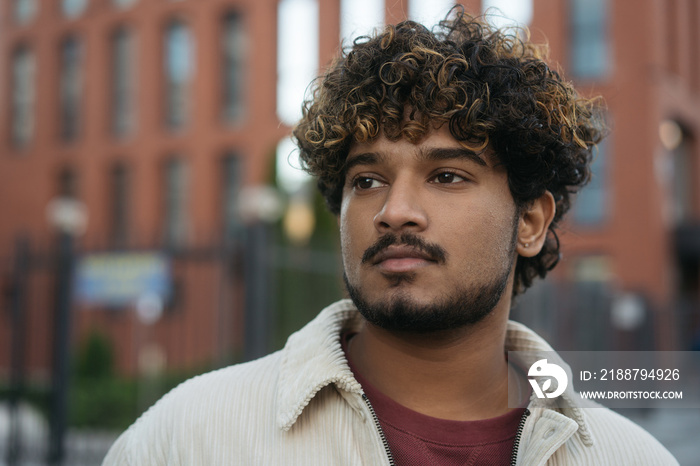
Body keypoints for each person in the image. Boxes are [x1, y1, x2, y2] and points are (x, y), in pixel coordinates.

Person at [103, 9, 677, 465]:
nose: (395, 211)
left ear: (529, 222)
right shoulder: (189, 441)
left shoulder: (630, 457)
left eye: (447, 175)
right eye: (368, 179)